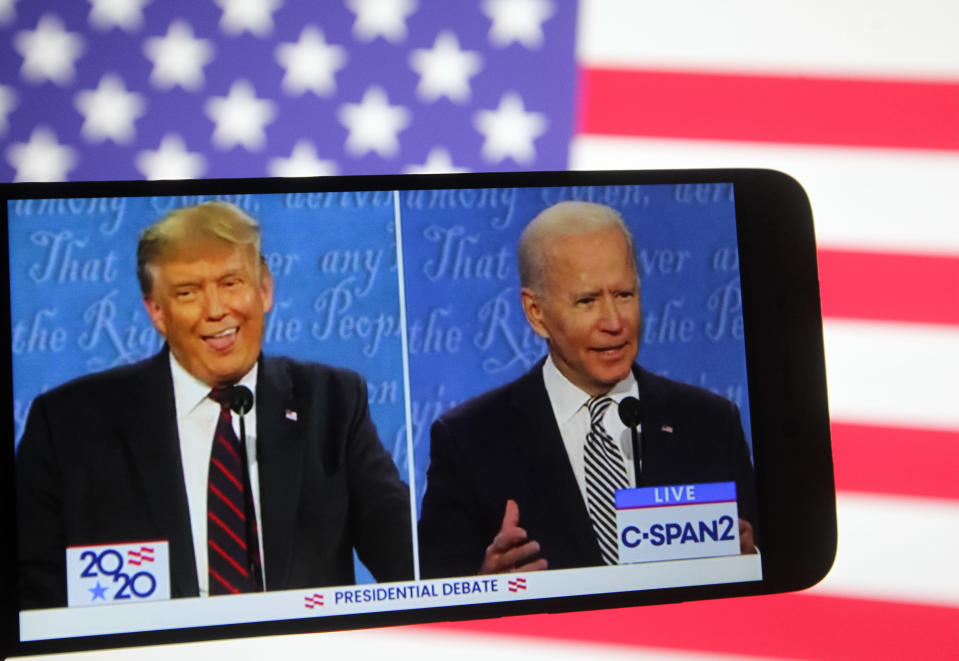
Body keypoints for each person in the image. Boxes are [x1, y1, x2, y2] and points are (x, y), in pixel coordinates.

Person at [16, 201, 413, 609]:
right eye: (187, 292)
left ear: (264, 290)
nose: (216, 310)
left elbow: (404, 556)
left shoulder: (333, 402)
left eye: (230, 283)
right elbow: (31, 590)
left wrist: (470, 583)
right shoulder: (69, 424)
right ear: (157, 311)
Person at [418, 201, 757, 579]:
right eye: (587, 301)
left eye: (624, 295)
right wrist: (483, 584)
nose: (614, 322)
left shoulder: (709, 423)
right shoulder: (469, 440)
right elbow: (440, 604)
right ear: (536, 312)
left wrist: (752, 559)